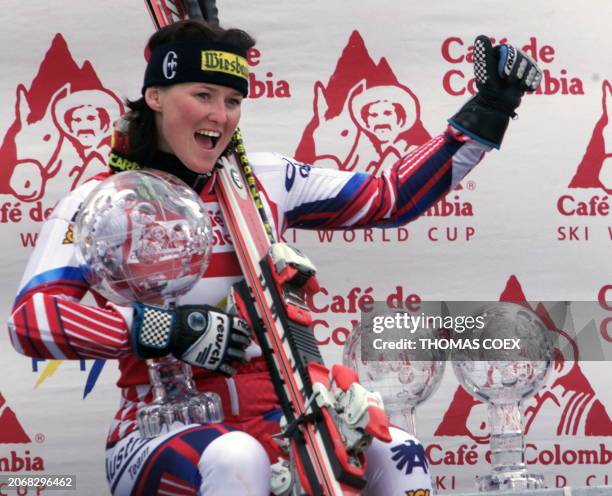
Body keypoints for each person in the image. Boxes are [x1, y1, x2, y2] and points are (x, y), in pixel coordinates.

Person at [8, 20, 541, 496]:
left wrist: (490, 108)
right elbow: (31, 322)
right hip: (156, 429)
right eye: (203, 94)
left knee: (398, 453)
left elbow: (391, 197)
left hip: (285, 416)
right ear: (155, 95)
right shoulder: (105, 199)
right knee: (237, 459)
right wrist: (163, 329)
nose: (220, 115)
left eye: (233, 101)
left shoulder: (262, 182)